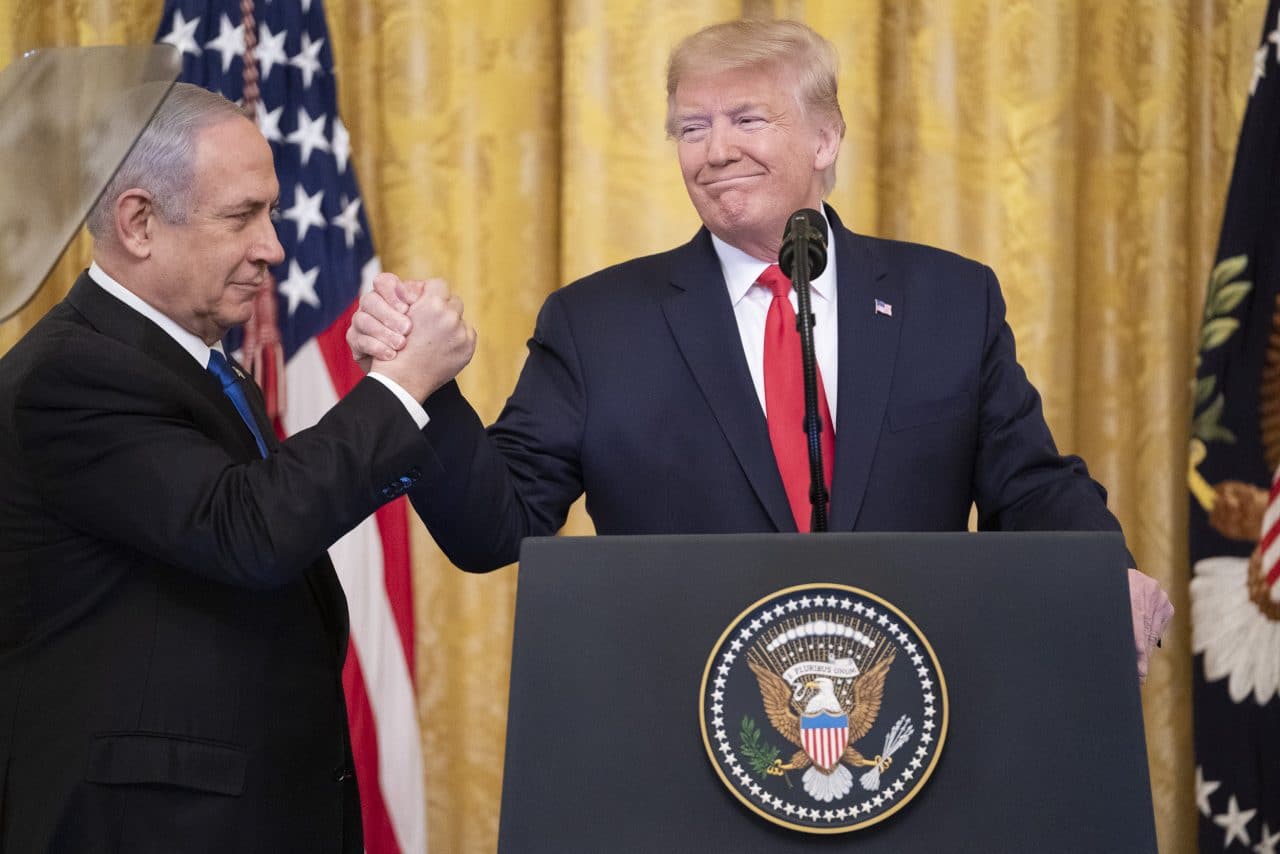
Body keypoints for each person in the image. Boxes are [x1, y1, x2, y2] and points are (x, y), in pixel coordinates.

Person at [349, 20, 1172, 672]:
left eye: (747, 119)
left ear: (825, 139)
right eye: (692, 127)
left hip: (910, 714)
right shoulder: (596, 324)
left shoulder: (948, 301)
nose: (715, 151)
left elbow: (1030, 486)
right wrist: (424, 388)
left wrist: (1106, 572)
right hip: (679, 725)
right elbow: (494, 530)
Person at [0, 83, 474, 853]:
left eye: (273, 213)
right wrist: (399, 386)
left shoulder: (197, 365)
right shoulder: (71, 374)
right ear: (139, 223)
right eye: (242, 216)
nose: (273, 248)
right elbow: (249, 529)